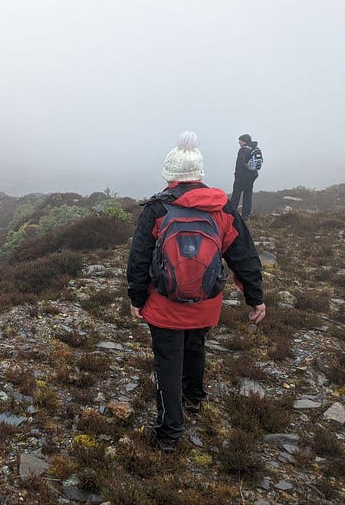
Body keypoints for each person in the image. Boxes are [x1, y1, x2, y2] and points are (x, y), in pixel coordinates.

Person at [126, 131, 266, 453]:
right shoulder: (222, 208)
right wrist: (254, 297)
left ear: (170, 175)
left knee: (167, 361)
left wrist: (136, 298)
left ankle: (169, 433)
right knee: (195, 345)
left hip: (163, 304)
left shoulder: (158, 209)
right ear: (199, 174)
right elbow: (243, 255)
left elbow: (140, 258)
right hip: (205, 303)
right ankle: (194, 397)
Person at [231, 133, 260, 220]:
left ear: (244, 141)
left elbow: (240, 164)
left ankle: (232, 213)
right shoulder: (255, 148)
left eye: (240, 141)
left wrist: (237, 175)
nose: (239, 143)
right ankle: (245, 215)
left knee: (236, 194)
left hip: (242, 176)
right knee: (248, 194)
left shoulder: (243, 150)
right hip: (252, 175)